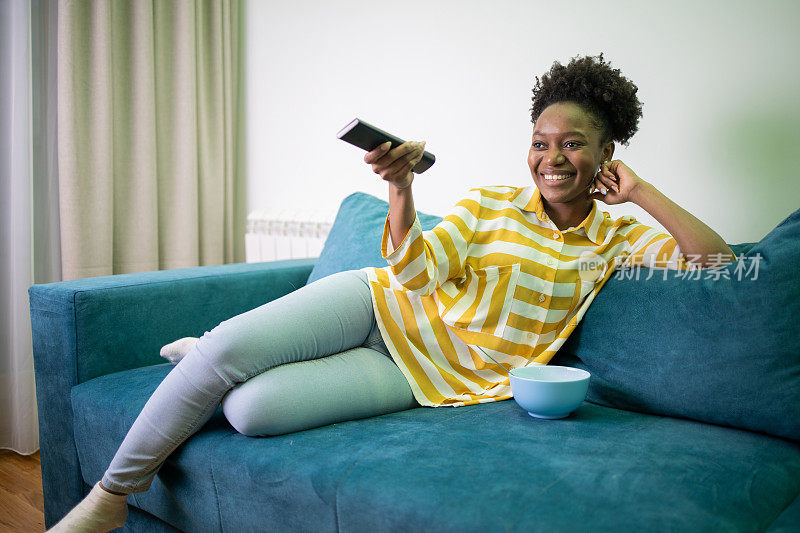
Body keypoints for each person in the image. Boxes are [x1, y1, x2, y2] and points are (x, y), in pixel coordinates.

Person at [49, 53, 734, 532]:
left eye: (574, 144)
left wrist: (642, 194)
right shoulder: (493, 205)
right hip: (376, 301)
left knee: (252, 410)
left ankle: (207, 358)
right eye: (539, 141)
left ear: (606, 154)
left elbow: (719, 262)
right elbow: (412, 271)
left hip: (420, 374)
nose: (551, 158)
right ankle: (112, 493)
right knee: (229, 349)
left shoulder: (613, 243)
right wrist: (402, 187)